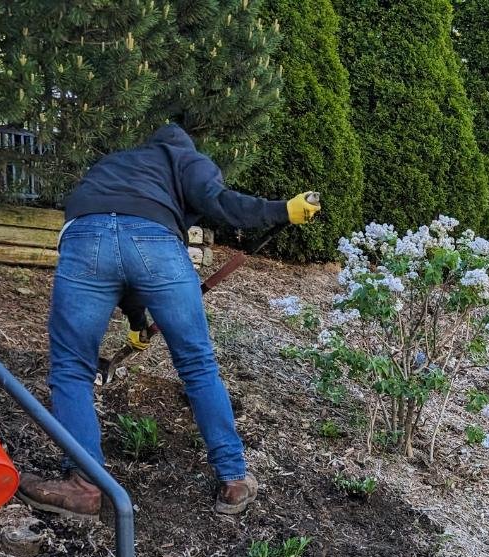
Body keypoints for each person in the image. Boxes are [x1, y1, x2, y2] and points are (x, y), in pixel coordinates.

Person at [18, 123, 321, 520]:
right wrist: (280, 210)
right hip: (155, 242)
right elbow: (218, 202)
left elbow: (117, 245)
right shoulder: (187, 159)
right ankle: (232, 481)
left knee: (72, 368)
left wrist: (135, 321)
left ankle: (83, 484)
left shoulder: (118, 162)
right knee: (197, 365)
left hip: (85, 234)